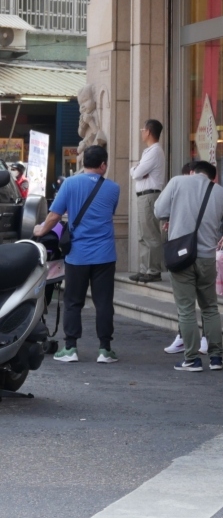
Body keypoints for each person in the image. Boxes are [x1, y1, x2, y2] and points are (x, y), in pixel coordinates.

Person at [33, 145, 121, 364]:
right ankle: (105, 349)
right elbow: (109, 212)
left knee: (73, 301)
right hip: (105, 255)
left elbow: (54, 215)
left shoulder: (70, 184)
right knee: (104, 302)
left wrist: (40, 230)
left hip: (77, 256)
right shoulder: (114, 188)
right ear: (103, 165)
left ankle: (71, 347)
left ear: (83, 163)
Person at [154, 160, 223, 372]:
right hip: (208, 258)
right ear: (213, 176)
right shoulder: (221, 193)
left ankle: (191, 359)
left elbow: (158, 210)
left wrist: (174, 217)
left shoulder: (177, 182)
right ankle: (216, 357)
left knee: (186, 309)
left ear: (193, 172)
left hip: (181, 256)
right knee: (210, 307)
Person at [164, 161, 210, 356]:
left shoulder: (183, 187)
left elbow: (159, 210)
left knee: (186, 305)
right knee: (208, 305)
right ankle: (212, 350)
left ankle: (190, 353)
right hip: (206, 254)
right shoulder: (213, 192)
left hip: (187, 253)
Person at [129, 119, 166, 283]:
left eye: (142, 129)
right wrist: (136, 169)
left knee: (150, 233)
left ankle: (153, 270)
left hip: (149, 196)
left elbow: (137, 174)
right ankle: (144, 269)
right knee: (143, 234)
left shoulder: (155, 151)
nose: (141, 132)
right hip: (143, 196)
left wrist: (136, 170)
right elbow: (137, 171)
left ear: (148, 132)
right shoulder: (149, 151)